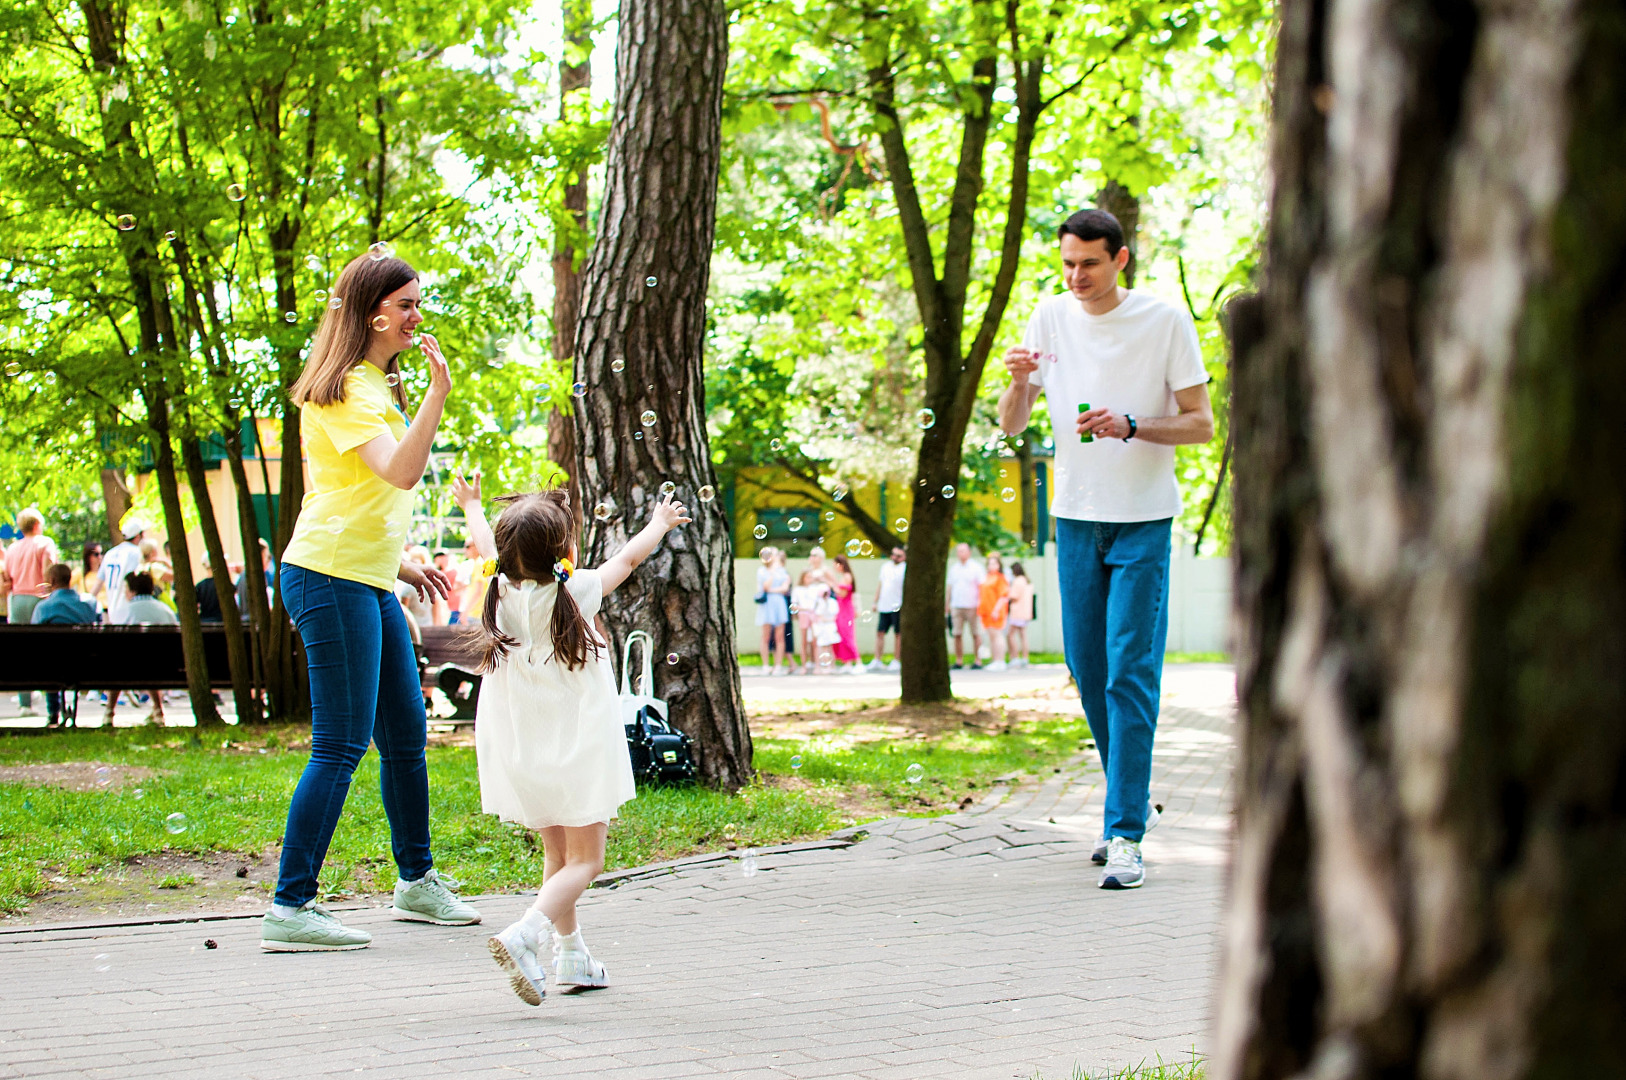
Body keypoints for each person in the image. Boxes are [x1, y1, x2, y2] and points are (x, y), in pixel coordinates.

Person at [261, 250, 477, 953]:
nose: (418, 315)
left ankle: (416, 881)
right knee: (342, 743)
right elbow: (403, 472)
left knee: (406, 735)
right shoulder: (350, 385)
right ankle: (290, 906)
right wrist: (440, 395)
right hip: (329, 577)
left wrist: (402, 563)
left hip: (365, 575)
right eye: (407, 305)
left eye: (419, 302)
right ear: (371, 312)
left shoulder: (374, 384)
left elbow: (356, 494)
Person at [998, 207, 1214, 890]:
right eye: (1067, 263)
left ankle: (1124, 833)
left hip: (1145, 518)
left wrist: (1130, 424)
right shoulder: (1049, 315)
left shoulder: (1165, 321)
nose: (1076, 276)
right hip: (1076, 519)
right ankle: (1131, 785)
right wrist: (1014, 381)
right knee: (1088, 668)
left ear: (1120, 259)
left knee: (1129, 671)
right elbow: (1013, 424)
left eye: (1089, 263)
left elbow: (1202, 425)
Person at [478, 489, 691, 1006]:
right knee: (587, 862)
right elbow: (629, 557)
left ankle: (572, 954)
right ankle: (524, 934)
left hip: (523, 751)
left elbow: (482, 543)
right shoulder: (577, 592)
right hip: (576, 750)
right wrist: (660, 522)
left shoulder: (496, 593)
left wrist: (469, 505)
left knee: (558, 856)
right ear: (561, 549)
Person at [3, 507, 59, 715]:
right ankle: (50, 702)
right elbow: (49, 570)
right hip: (39, 599)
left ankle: (25, 703)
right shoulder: (45, 543)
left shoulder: (13, 548)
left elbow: (7, 577)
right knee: (44, 649)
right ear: (37, 525)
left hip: (17, 600)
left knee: (20, 651)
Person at [30, 563, 97, 728]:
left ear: (52, 580)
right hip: (84, 664)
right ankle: (70, 711)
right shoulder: (86, 606)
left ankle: (53, 712)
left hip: (51, 666)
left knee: (49, 658)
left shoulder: (43, 607)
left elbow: (33, 638)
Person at [111, 571, 180, 726]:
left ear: (133, 591)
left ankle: (109, 712)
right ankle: (157, 709)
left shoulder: (124, 612)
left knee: (118, 663)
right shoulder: (166, 611)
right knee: (151, 661)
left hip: (127, 668)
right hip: (166, 667)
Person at [945, 542, 986, 669]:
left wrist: (981, 603)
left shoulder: (976, 568)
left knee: (976, 633)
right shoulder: (953, 569)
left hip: (973, 605)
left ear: (969, 552)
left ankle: (978, 660)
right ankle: (959, 660)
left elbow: (982, 587)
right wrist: (947, 604)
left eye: (963, 550)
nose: (961, 553)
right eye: (959, 551)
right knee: (957, 634)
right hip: (957, 605)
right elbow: (949, 587)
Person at [790, 548, 829, 675]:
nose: (810, 579)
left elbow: (824, 597)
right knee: (804, 642)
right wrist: (803, 609)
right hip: (803, 615)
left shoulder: (815, 588)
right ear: (803, 578)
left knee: (815, 641)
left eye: (811, 577)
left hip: (813, 616)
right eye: (808, 577)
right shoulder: (798, 590)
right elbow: (794, 605)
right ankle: (804, 666)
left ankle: (817, 665)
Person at [100, 519, 147, 623]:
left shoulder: (110, 553)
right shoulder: (136, 553)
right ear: (138, 536)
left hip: (112, 612)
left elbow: (99, 582)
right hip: (130, 612)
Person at [869, 545, 906, 672]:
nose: (894, 557)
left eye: (898, 555)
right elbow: (880, 585)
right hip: (884, 605)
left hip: (898, 605)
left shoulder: (905, 568)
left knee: (898, 634)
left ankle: (897, 660)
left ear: (904, 557)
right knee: (880, 632)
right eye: (893, 554)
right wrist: (875, 601)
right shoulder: (885, 567)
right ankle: (877, 659)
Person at [754, 546, 790, 674]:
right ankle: (765, 665)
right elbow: (765, 587)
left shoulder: (782, 571)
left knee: (780, 636)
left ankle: (778, 665)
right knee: (766, 636)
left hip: (779, 603)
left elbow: (785, 588)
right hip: (767, 604)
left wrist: (773, 590)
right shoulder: (762, 571)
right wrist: (772, 573)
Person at [827, 553, 860, 673]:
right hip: (841, 609)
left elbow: (843, 594)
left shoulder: (846, 576)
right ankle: (848, 663)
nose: (834, 567)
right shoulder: (844, 576)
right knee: (842, 635)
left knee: (847, 635)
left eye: (835, 564)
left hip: (846, 610)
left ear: (841, 564)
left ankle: (858, 662)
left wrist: (832, 586)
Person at [978, 552, 1011, 671]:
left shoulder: (1000, 578)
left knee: (997, 636)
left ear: (998, 565)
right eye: (989, 563)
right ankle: (995, 660)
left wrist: (996, 610)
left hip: (995, 612)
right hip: (986, 611)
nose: (991, 566)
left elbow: (1004, 596)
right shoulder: (987, 578)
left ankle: (1000, 660)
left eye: (994, 563)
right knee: (991, 637)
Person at [1006, 561, 1033, 668]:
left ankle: (1015, 657)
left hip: (1017, 612)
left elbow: (1014, 596)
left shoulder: (1017, 581)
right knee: (1023, 636)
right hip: (1026, 611)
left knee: (1010, 634)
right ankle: (1025, 657)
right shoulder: (1027, 581)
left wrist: (1008, 591)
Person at [72, 542, 106, 612]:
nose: (100, 557)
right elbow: (65, 585)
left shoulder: (106, 572)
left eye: (101, 553)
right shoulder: (80, 572)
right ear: (88, 556)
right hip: (89, 610)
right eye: (96, 554)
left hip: (106, 610)